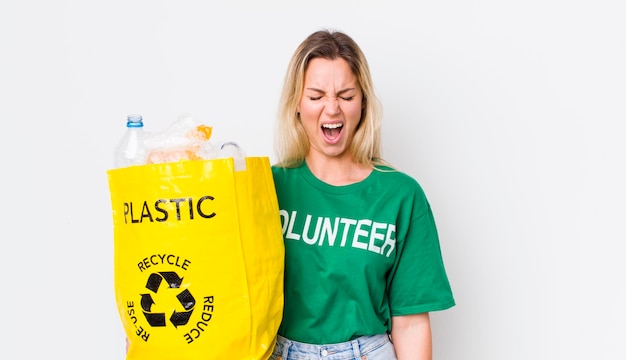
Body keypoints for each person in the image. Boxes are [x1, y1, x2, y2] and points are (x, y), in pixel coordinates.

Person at [270, 29, 455, 360]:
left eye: (346, 95)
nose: (332, 108)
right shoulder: (268, 189)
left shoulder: (401, 196)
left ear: (363, 102)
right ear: (297, 105)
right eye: (316, 96)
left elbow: (411, 322)